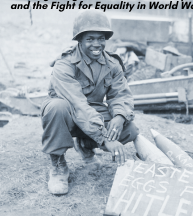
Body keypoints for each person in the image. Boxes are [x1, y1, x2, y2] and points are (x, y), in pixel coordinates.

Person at [41, 10, 138, 195]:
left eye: (101, 38)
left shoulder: (112, 63)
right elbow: (77, 105)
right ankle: (58, 163)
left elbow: (121, 95)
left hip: (91, 113)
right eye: (90, 39)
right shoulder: (64, 65)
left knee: (129, 129)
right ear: (79, 40)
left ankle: (85, 145)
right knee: (56, 108)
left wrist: (119, 116)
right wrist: (105, 138)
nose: (97, 44)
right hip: (67, 113)